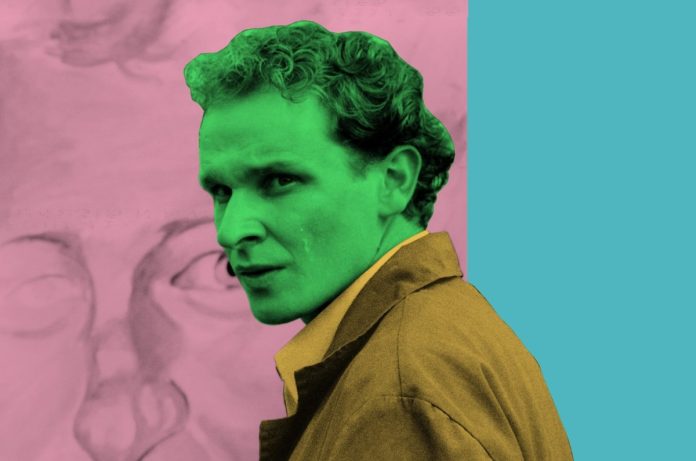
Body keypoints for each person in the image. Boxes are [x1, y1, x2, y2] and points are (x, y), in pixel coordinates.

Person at [184, 20, 573, 460]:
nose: (231, 230)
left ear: (394, 180)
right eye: (222, 191)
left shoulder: (400, 390)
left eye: (280, 180)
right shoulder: (445, 331)